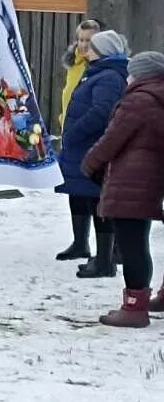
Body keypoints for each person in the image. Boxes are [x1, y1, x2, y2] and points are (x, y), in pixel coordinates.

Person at [81, 50, 164, 328]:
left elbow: (112, 139)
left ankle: (134, 308)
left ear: (140, 75)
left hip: (131, 180)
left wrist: (89, 164)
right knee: (138, 241)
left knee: (131, 245)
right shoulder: (159, 97)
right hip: (151, 179)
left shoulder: (139, 101)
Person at [58, 28, 129, 276]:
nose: (86, 49)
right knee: (90, 200)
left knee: (99, 202)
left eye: (92, 46)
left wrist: (74, 132)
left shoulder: (108, 76)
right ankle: (99, 256)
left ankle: (105, 260)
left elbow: (102, 111)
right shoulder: (97, 72)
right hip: (83, 147)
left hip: (90, 146)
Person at [59, 18, 103, 134]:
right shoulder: (73, 65)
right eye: (81, 40)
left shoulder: (102, 69)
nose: (84, 45)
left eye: (88, 40)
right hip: (68, 132)